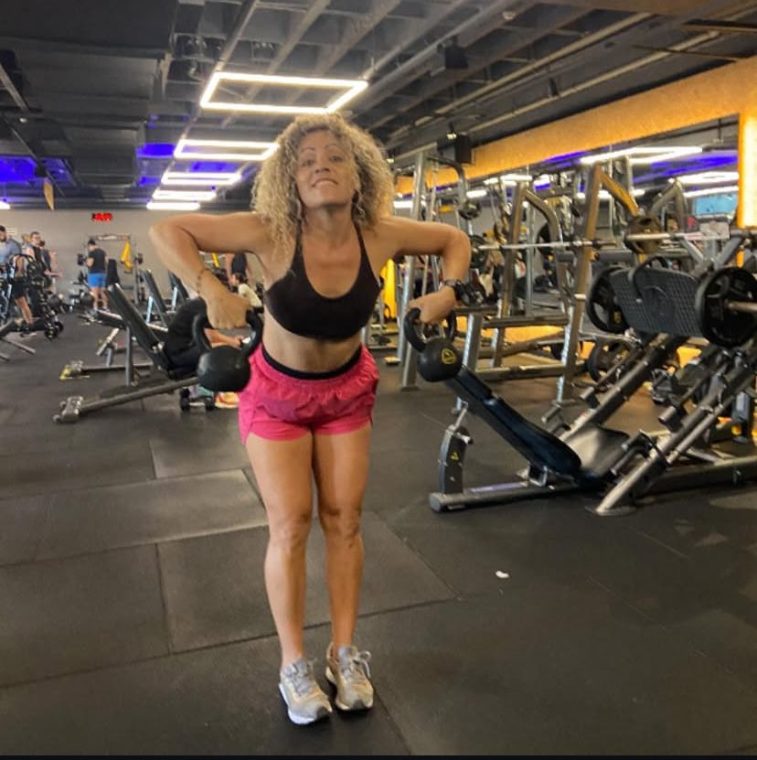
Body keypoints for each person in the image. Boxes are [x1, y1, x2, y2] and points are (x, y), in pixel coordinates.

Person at [149, 112, 470, 726]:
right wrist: (209, 287)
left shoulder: (380, 234)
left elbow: (454, 240)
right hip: (277, 393)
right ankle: (293, 663)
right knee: (291, 524)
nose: (322, 166)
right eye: (306, 162)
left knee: (345, 520)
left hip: (346, 391)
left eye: (335, 158)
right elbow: (167, 229)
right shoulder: (270, 233)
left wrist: (449, 292)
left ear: (359, 175)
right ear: (290, 181)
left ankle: (344, 653)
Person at [85, 238, 108, 309]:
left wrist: (86, 262)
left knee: (94, 293)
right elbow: (107, 262)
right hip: (103, 274)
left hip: (94, 274)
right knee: (102, 292)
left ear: (90, 245)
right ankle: (105, 306)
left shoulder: (92, 253)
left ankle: (95, 308)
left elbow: (90, 264)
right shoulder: (103, 252)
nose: (89, 249)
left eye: (89, 247)